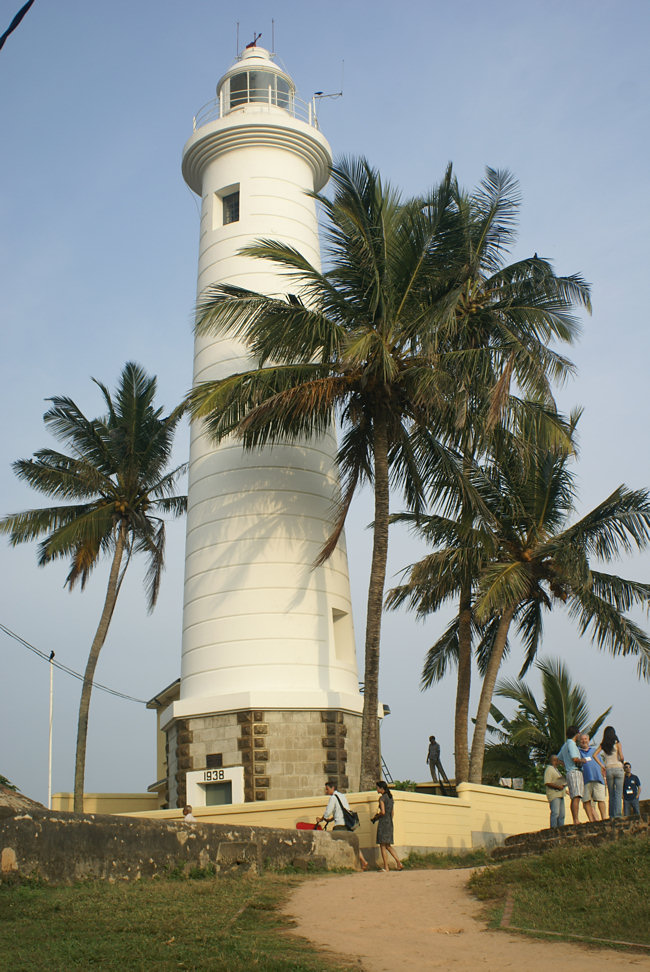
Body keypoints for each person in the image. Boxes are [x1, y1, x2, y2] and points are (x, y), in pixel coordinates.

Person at [316, 780, 368, 870]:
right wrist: (330, 819)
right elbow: (342, 811)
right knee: (352, 844)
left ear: (332, 788)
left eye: (327, 789)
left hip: (340, 824)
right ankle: (363, 861)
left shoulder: (333, 798)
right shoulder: (342, 796)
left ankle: (339, 865)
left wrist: (321, 819)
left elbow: (328, 812)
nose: (326, 791)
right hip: (347, 823)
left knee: (334, 843)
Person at [557, 725, 587, 824]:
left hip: (570, 771)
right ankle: (576, 819)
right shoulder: (572, 744)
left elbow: (558, 759)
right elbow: (575, 759)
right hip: (574, 771)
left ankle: (575, 819)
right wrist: (582, 760)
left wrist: (566, 764)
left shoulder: (566, 744)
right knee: (576, 796)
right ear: (576, 734)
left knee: (575, 796)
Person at [371, 781, 403, 872]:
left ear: (381, 788)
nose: (377, 789)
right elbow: (392, 813)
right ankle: (399, 863)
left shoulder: (382, 798)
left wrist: (376, 817)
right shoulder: (390, 797)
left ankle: (386, 867)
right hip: (389, 822)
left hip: (383, 823)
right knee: (388, 845)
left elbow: (383, 812)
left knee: (382, 845)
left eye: (377, 788)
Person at [594, 726, 625, 819]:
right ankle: (618, 815)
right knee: (618, 793)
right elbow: (622, 757)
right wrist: (621, 762)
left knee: (611, 793)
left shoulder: (603, 744)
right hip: (618, 768)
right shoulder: (617, 743)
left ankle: (611, 815)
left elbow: (594, 755)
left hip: (609, 769)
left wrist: (602, 765)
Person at [578, 733, 607, 821]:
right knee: (586, 800)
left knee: (601, 799)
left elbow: (602, 765)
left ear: (589, 740)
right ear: (579, 741)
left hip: (598, 779)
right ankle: (591, 820)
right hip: (585, 780)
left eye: (586, 739)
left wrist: (604, 778)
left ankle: (604, 818)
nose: (584, 741)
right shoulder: (578, 752)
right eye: (582, 739)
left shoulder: (595, 751)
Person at [543, 755, 567, 828]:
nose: (557, 762)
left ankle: (561, 829)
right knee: (555, 813)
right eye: (556, 760)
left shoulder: (556, 770)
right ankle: (553, 828)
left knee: (562, 814)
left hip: (560, 794)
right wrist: (558, 787)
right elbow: (547, 782)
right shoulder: (549, 769)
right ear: (552, 761)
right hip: (554, 794)